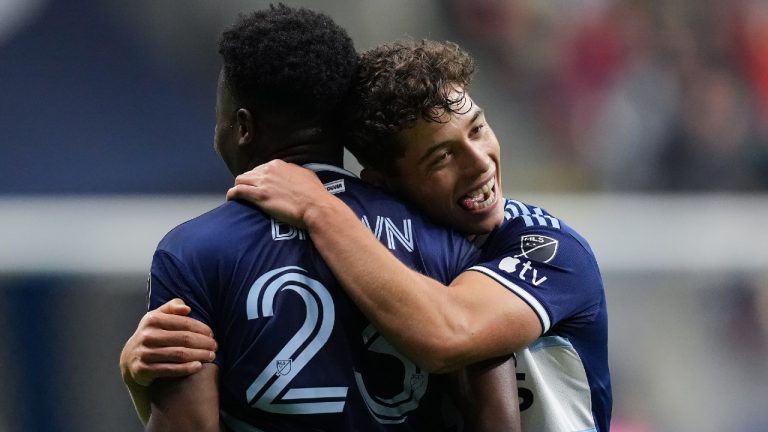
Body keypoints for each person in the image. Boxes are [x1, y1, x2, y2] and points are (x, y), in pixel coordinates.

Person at [122, 5, 520, 431]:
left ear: (243, 127)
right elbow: (498, 421)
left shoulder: (193, 252)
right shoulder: (439, 231)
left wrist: (139, 386)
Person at [226, 39, 612, 431]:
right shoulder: (374, 251)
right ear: (383, 183)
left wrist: (318, 208)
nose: (480, 163)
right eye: (443, 156)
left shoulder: (548, 248)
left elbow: (448, 334)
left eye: (477, 129)